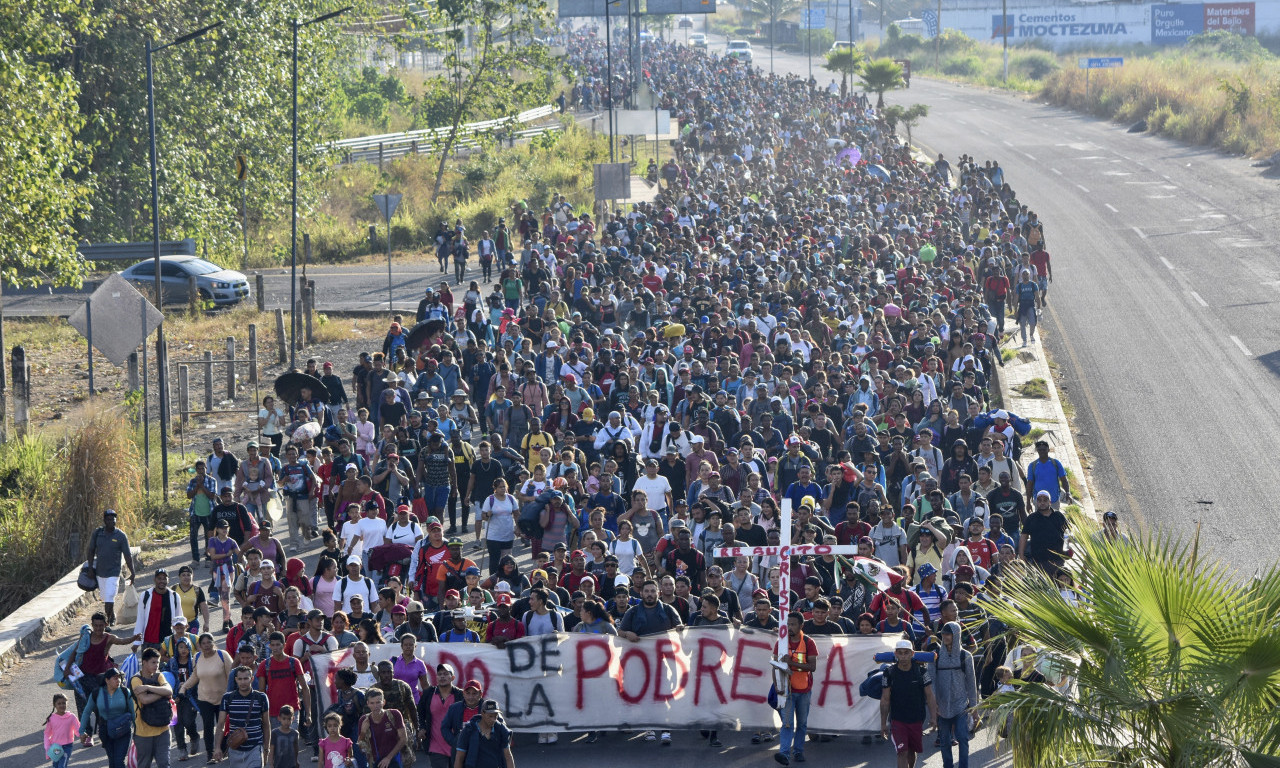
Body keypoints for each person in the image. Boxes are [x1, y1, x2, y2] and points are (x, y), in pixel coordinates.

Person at [618, 580, 682, 745]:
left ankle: (666, 730)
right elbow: (619, 631)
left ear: (658, 593)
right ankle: (650, 728)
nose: (650, 594)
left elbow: (680, 627)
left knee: (663, 696)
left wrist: (680, 628)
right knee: (646, 696)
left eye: (653, 591)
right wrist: (627, 635)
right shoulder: (632, 612)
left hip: (664, 661)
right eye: (646, 591)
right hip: (640, 663)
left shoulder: (668, 610)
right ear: (641, 594)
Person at [881, 639, 938, 768]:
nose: (903, 657)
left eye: (906, 653)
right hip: (897, 720)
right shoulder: (889, 673)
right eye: (900, 653)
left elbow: (930, 696)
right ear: (895, 654)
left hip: (917, 719)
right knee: (902, 752)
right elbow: (885, 699)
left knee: (912, 751)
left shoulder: (921, 672)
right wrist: (883, 723)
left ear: (912, 653)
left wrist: (934, 718)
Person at [931, 621, 979, 768]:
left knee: (963, 738)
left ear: (956, 635)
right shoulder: (935, 656)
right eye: (943, 634)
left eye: (948, 633)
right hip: (942, 706)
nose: (945, 636)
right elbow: (931, 682)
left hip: (960, 705)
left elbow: (971, 683)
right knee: (945, 742)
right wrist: (934, 706)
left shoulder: (966, 656)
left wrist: (974, 708)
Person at [774, 612, 818, 766]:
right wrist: (776, 686)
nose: (790, 627)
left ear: (801, 626)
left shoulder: (809, 642)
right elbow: (774, 667)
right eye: (788, 624)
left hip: (804, 690)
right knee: (787, 724)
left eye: (793, 624)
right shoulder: (781, 642)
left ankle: (798, 751)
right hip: (787, 691)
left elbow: (812, 667)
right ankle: (784, 753)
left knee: (802, 723)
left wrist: (792, 664)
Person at [84, 509, 136, 627]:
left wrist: (132, 572)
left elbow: (127, 555)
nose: (111, 521)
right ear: (104, 520)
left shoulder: (121, 536)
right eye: (108, 519)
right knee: (105, 597)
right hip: (100, 572)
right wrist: (91, 568)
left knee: (109, 596)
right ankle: (111, 615)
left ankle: (105, 623)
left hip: (114, 573)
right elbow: (91, 550)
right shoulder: (97, 534)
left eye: (113, 519)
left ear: (116, 520)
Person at [215, 665, 272, 767]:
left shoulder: (261, 698)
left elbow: (266, 725)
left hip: (255, 748)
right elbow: (220, 725)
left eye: (246, 678)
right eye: (240, 679)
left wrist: (266, 749)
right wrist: (217, 747)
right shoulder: (228, 698)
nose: (243, 682)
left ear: (252, 679)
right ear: (236, 680)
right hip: (235, 749)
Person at [131, 647, 174, 768]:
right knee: (144, 765)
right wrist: (162, 694)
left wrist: (148, 688)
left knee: (164, 764)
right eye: (153, 662)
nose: (156, 665)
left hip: (163, 729)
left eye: (158, 662)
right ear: (144, 662)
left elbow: (169, 690)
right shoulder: (136, 680)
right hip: (143, 733)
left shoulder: (159, 676)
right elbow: (144, 700)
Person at [81, 668, 131, 768]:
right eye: (115, 678)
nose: (118, 680)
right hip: (106, 731)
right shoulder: (97, 693)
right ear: (107, 680)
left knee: (119, 761)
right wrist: (82, 731)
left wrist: (138, 730)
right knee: (112, 761)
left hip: (123, 730)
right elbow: (86, 712)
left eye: (119, 678)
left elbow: (133, 712)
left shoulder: (125, 692)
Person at [452, 699, 515, 768]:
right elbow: (459, 758)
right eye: (490, 716)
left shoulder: (501, 730)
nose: (493, 719)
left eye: (495, 716)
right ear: (482, 713)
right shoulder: (468, 730)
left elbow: (508, 756)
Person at [135, 568, 183, 652]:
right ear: (154, 580)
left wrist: (180, 638)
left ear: (168, 580)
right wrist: (136, 641)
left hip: (168, 641)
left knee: (167, 665)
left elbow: (179, 619)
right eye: (159, 578)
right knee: (148, 665)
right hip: (148, 640)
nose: (162, 581)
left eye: (164, 578)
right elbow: (140, 618)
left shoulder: (175, 596)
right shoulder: (146, 595)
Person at [359, 688, 407, 768]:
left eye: (378, 702)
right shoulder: (364, 720)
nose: (375, 706)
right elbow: (361, 745)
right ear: (368, 704)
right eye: (372, 703)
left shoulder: (394, 714)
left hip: (394, 759)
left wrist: (388, 758)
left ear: (383, 702)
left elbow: (403, 739)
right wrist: (363, 731)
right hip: (376, 762)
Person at [43, 693, 78, 768]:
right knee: (56, 765)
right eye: (59, 703)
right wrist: (47, 747)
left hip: (67, 746)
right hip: (56, 746)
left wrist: (83, 735)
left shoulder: (71, 717)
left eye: (64, 703)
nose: (62, 705)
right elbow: (47, 734)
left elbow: (78, 729)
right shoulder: (51, 718)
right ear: (54, 705)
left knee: (62, 765)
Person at [267, 704, 301, 768]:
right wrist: (271, 764)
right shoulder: (275, 733)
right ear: (279, 718)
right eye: (284, 719)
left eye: (289, 719)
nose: (286, 721)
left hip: (291, 765)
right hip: (278, 764)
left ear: (293, 718)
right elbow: (271, 750)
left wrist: (296, 760)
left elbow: (296, 748)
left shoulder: (295, 733)